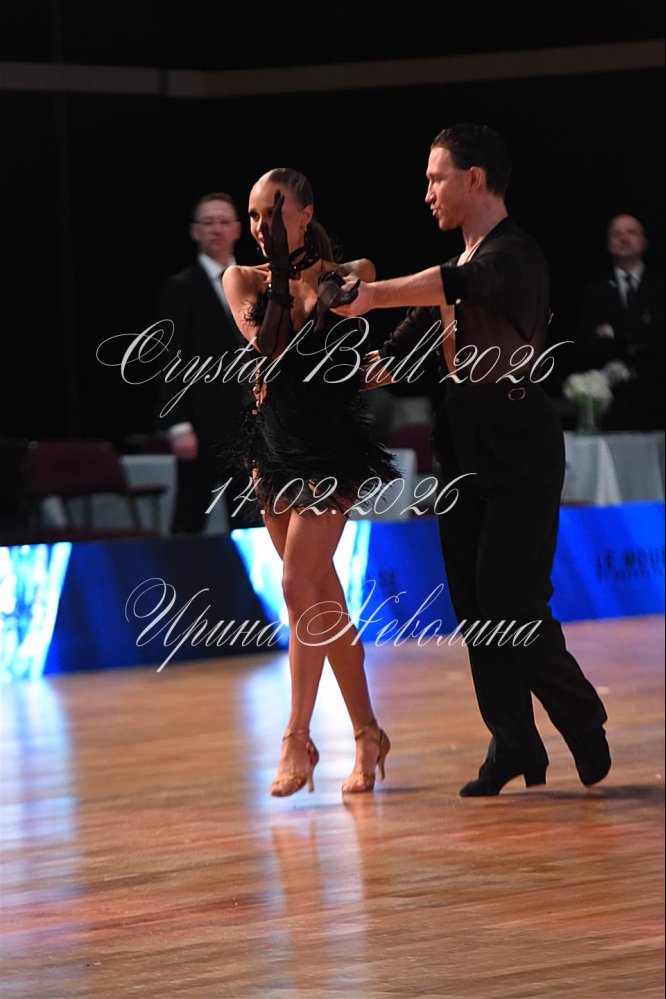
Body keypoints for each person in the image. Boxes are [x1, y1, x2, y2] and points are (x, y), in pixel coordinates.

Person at [337, 123, 610, 796]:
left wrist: (372, 294)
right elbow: (397, 352)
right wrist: (332, 369)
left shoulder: (514, 256)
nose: (427, 191)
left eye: (436, 178)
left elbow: (460, 284)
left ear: (476, 179)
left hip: (519, 439)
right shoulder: (453, 272)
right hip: (460, 441)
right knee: (475, 605)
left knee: (512, 600)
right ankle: (513, 741)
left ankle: (582, 716)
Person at [223, 168, 396, 798]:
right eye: (252, 215)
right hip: (271, 448)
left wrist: (362, 354)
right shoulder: (241, 279)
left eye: (271, 213)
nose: (259, 226)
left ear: (306, 213)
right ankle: (368, 733)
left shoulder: (350, 274)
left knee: (297, 585)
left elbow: (338, 351)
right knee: (322, 599)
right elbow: (270, 349)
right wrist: (278, 273)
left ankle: (296, 737)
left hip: (331, 448)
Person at [158, 192, 258, 533]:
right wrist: (178, 424)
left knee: (249, 520)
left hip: (248, 426)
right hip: (201, 427)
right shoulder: (180, 288)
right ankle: (178, 571)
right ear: (195, 231)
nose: (216, 229)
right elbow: (169, 357)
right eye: (208, 222)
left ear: (237, 229)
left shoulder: (255, 282)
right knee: (189, 518)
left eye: (223, 222)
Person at [577, 214, 664, 430]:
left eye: (631, 233)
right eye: (617, 234)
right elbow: (586, 343)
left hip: (657, 400)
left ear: (643, 242)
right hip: (612, 407)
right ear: (609, 244)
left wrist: (615, 333)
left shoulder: (659, 287)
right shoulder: (595, 291)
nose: (624, 238)